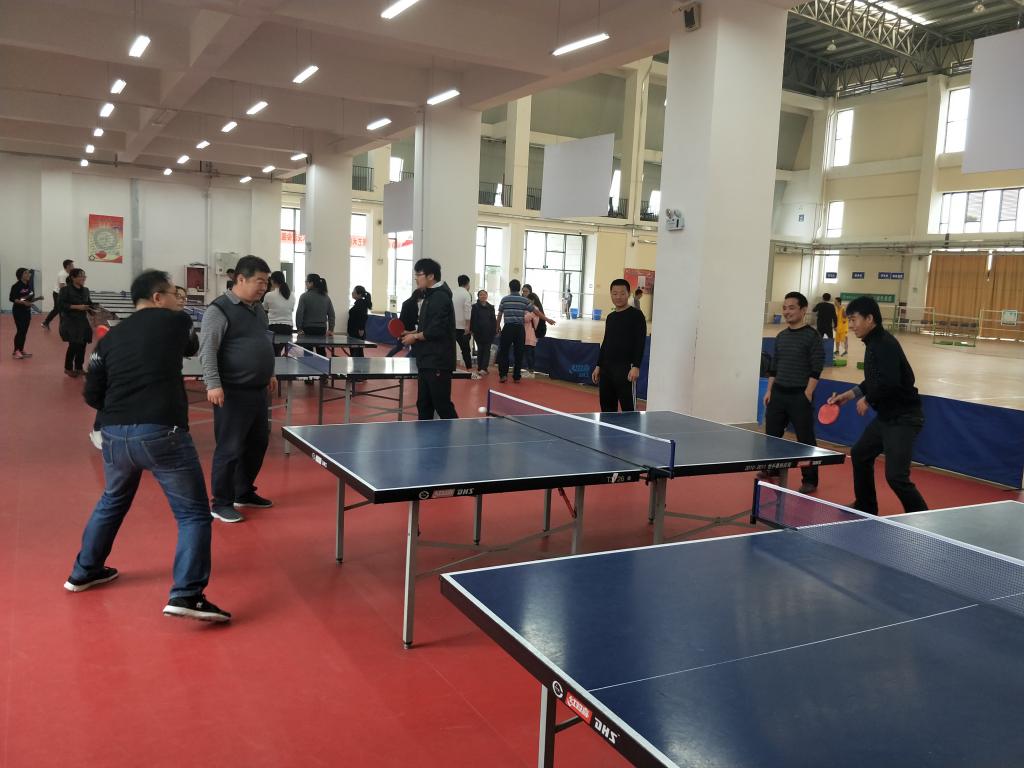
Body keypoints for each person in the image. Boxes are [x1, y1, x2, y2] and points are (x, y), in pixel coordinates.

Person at [66, 269, 229, 622]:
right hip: (161, 432)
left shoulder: (110, 339)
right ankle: (187, 594)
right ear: (158, 297)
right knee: (192, 515)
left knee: (112, 501)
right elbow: (191, 347)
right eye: (174, 294)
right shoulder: (176, 321)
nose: (179, 301)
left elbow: (92, 393)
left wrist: (121, 412)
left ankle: (84, 571)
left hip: (114, 434)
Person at [828, 296, 928, 516]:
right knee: (860, 454)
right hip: (887, 417)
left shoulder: (884, 344)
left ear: (870, 319)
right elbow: (874, 379)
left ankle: (922, 519)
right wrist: (849, 395)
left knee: (896, 477)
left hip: (904, 418)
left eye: (854, 319)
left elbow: (890, 382)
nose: (851, 325)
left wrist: (868, 399)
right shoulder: (873, 342)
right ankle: (866, 506)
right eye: (849, 320)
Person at [199, 255, 275, 524]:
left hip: (258, 390)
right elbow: (207, 350)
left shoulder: (258, 309)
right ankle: (221, 502)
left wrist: (270, 372)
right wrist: (213, 384)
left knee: (257, 443)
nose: (264, 287)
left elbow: (262, 342)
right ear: (240, 279)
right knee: (230, 448)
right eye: (259, 281)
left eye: (266, 282)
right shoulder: (218, 310)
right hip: (232, 391)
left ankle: (243, 491)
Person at [760, 291, 823, 494]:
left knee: (806, 440)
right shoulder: (781, 337)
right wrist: (769, 391)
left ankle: (810, 480)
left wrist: (808, 392)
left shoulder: (812, 336)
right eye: (785, 308)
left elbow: (816, 367)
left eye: (792, 308)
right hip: (778, 393)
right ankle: (773, 469)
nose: (787, 312)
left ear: (803, 310)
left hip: (799, 395)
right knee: (772, 436)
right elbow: (774, 367)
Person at [401, 258, 458, 419]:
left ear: (431, 276)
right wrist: (410, 332)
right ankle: (425, 435)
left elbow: (436, 330)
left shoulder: (440, 297)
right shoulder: (430, 296)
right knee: (424, 404)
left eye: (418, 275)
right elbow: (428, 326)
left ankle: (457, 433)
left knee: (441, 405)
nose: (416, 278)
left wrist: (414, 337)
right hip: (427, 360)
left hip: (438, 361)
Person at [592, 279, 646, 412]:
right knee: (607, 409)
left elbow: (640, 342)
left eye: (622, 293)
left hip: (626, 369)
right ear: (611, 294)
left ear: (629, 294)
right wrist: (599, 365)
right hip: (606, 370)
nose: (618, 297)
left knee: (629, 410)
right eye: (615, 293)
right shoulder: (610, 317)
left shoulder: (637, 315)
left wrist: (636, 366)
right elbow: (606, 342)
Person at [58, 268, 96, 377]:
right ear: (73, 278)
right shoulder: (65, 290)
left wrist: (92, 310)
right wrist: (77, 307)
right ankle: (68, 368)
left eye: (84, 276)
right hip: (70, 321)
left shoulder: (86, 290)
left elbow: (89, 303)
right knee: (74, 344)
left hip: (82, 321)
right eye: (80, 276)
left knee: (83, 344)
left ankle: (79, 367)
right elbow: (60, 305)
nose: (83, 278)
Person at [496, 280, 533, 383]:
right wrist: (547, 319)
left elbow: (500, 314)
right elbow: (533, 310)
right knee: (519, 352)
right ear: (519, 288)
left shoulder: (504, 299)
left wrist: (497, 326)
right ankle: (516, 377)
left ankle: (503, 375)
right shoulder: (524, 300)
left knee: (504, 352)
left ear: (510, 287)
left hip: (508, 327)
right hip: (519, 329)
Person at [295, 273, 335, 357]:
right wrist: (331, 329)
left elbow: (299, 314)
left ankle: (308, 365)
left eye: (306, 281)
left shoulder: (304, 296)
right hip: (321, 329)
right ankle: (324, 364)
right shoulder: (326, 297)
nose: (305, 283)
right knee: (321, 351)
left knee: (307, 351)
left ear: (311, 283)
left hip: (308, 329)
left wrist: (299, 328)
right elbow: (331, 314)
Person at [10, 267, 41, 359]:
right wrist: (24, 303)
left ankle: (21, 350)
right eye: (26, 273)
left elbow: (28, 299)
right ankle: (16, 351)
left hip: (26, 311)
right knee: (20, 331)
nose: (29, 274)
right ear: (21, 275)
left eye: (29, 273)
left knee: (24, 332)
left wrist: (38, 298)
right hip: (18, 312)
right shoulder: (16, 286)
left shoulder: (28, 286)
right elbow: (13, 299)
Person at [264, 271, 295, 355]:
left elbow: (264, 309)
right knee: (277, 351)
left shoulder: (269, 295)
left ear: (272, 281)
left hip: (273, 328)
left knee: (273, 352)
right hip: (288, 328)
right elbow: (291, 310)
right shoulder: (292, 295)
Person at [387, 289, 422, 358]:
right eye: (421, 298)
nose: (420, 300)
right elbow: (413, 318)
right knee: (414, 348)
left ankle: (387, 357)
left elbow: (402, 317)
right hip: (408, 330)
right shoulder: (414, 305)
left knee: (399, 347)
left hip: (403, 328)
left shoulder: (406, 302)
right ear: (418, 296)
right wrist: (419, 322)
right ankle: (406, 359)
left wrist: (400, 330)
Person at [470, 289, 496, 377]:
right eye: (481, 295)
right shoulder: (474, 307)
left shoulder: (491, 307)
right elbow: (472, 319)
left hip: (489, 332)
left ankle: (484, 368)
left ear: (487, 296)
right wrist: (472, 330)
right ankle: (480, 367)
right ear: (478, 296)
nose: (483, 296)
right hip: (478, 332)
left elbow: (493, 320)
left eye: (484, 294)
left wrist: (495, 330)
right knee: (480, 350)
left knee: (487, 350)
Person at [42, 259, 73, 330]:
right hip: (58, 294)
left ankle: (46, 322)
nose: (73, 266)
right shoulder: (63, 274)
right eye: (72, 265)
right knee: (59, 309)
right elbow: (62, 287)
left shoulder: (68, 273)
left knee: (58, 309)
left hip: (61, 294)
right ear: (68, 266)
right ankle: (60, 326)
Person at [453, 274, 474, 370]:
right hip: (462, 327)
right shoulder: (466, 294)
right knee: (465, 350)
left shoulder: (452, 292)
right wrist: (468, 325)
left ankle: (449, 369)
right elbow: (467, 311)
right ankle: (469, 370)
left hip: (451, 326)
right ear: (467, 283)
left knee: (449, 349)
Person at [347, 285, 372, 358]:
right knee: (356, 352)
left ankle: (360, 364)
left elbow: (363, 317)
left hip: (357, 332)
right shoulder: (358, 303)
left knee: (356, 353)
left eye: (354, 292)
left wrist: (361, 329)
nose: (352, 293)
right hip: (353, 331)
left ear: (359, 294)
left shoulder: (361, 304)